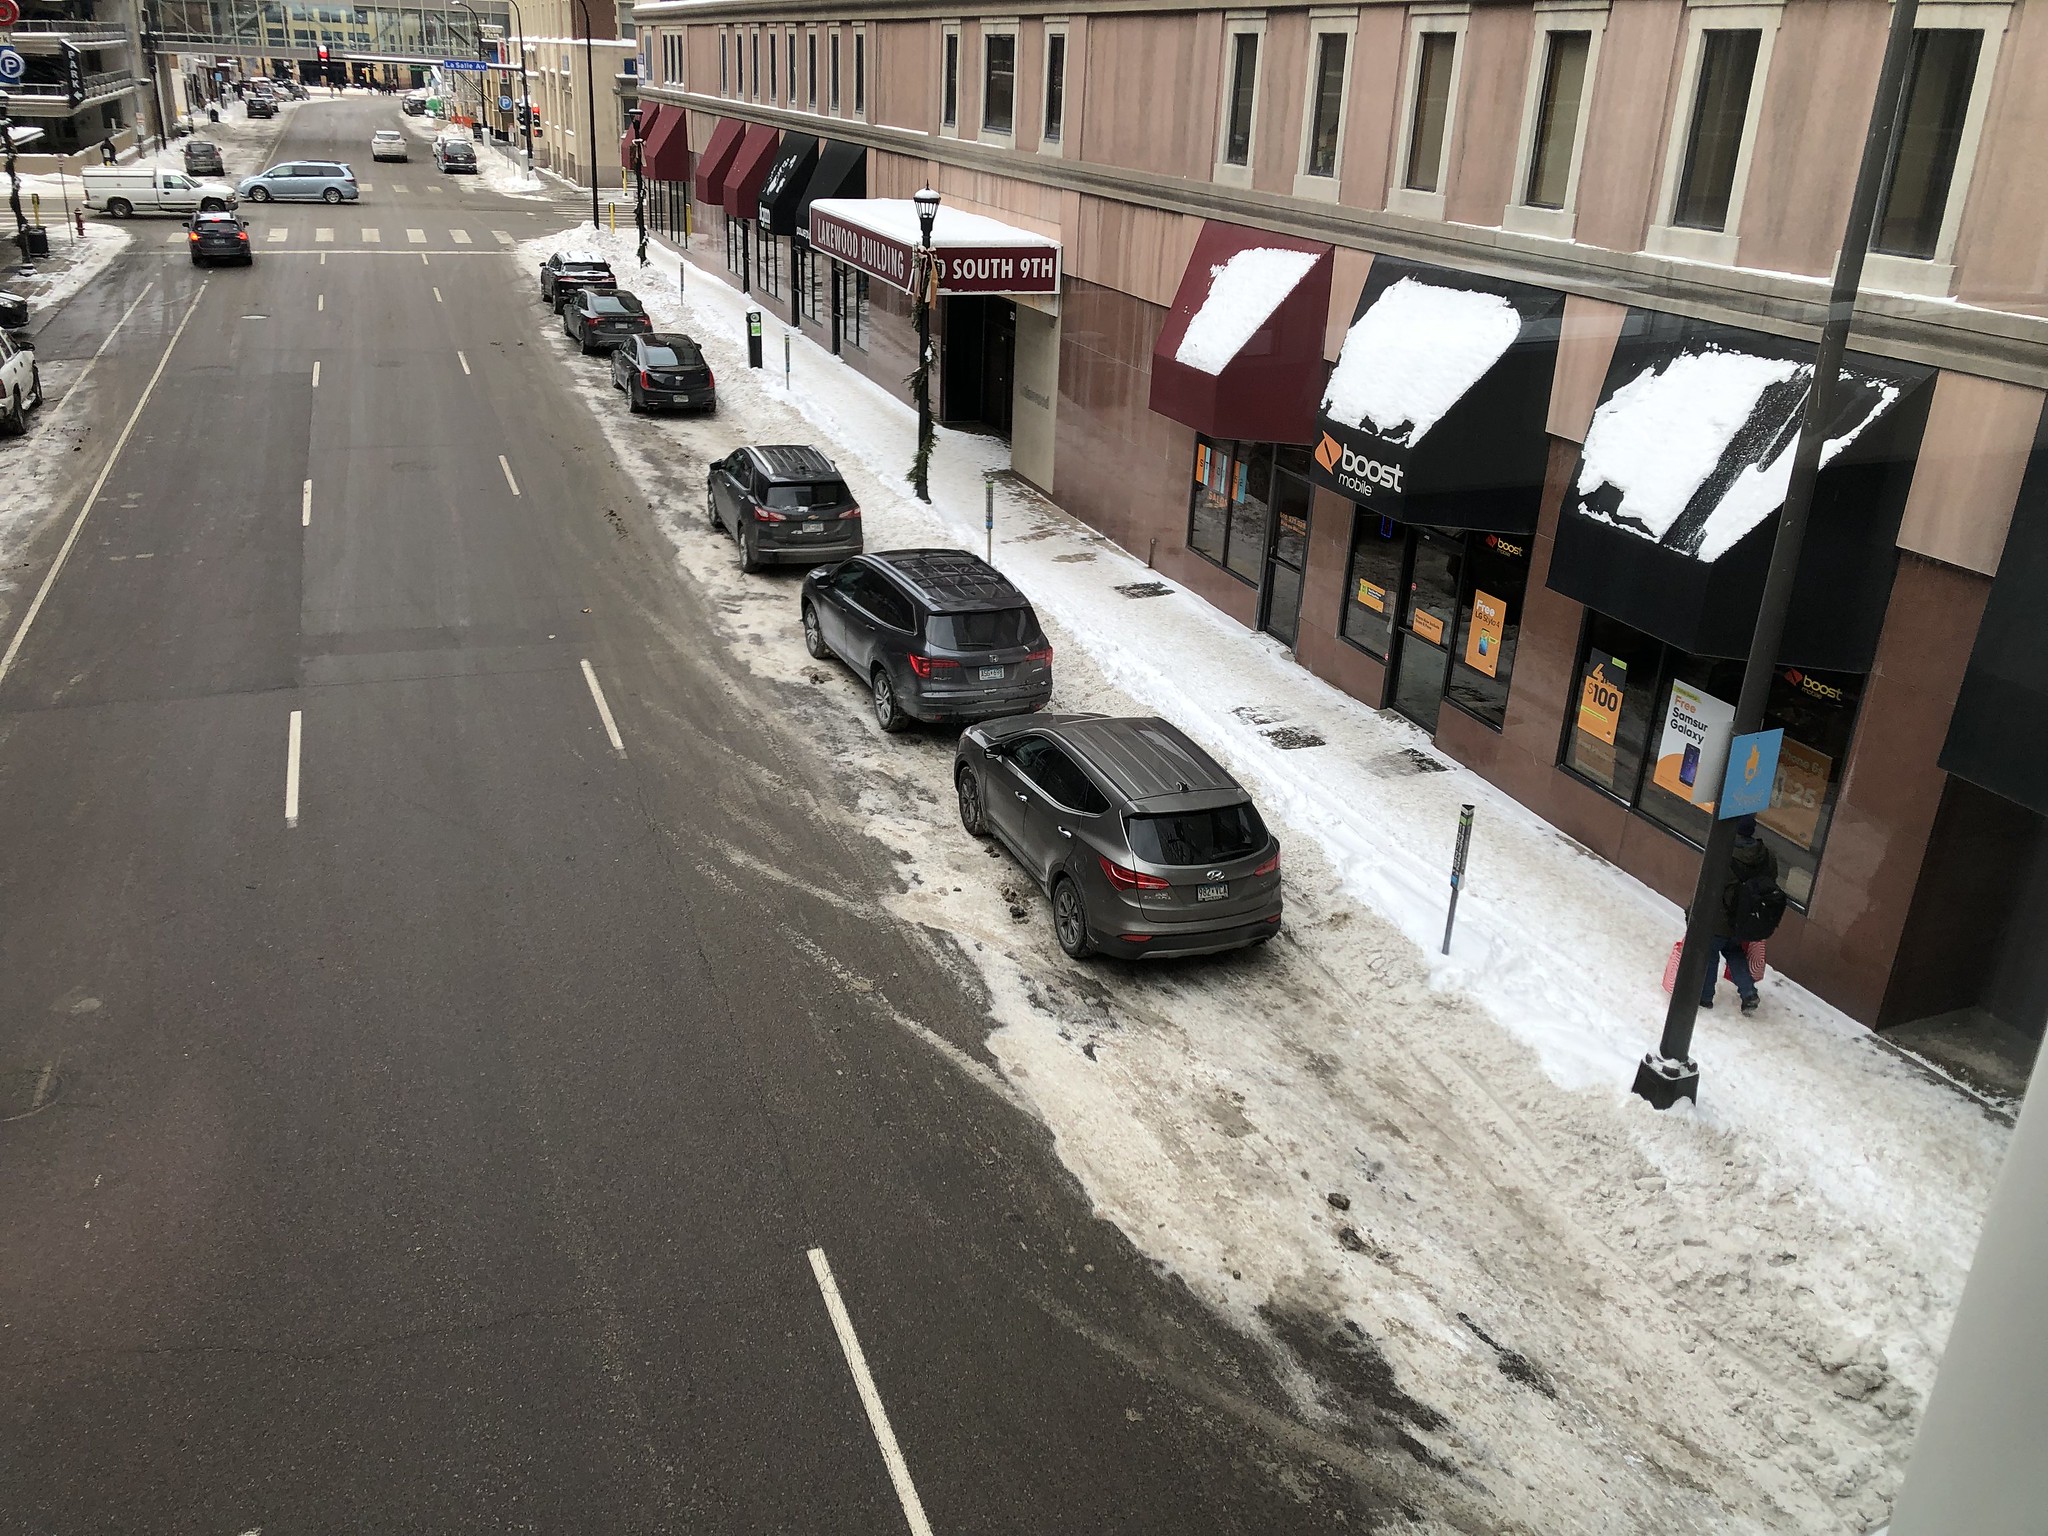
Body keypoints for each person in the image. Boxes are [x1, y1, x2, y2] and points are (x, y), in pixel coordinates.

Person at [1700, 816, 1787, 1014]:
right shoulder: (1767, 856)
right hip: (1745, 919)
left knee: (1710, 952)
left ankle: (1705, 997)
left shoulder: (1723, 852)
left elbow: (1709, 885)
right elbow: (1768, 882)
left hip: (1719, 916)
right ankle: (1748, 992)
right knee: (1733, 951)